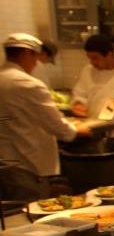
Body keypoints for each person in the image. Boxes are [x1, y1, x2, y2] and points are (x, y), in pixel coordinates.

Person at [0, 33, 90, 201]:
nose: (35, 64)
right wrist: (77, 129)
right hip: (26, 164)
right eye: (36, 58)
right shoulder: (28, 84)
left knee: (13, 217)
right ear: (28, 54)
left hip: (5, 162)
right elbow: (56, 125)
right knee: (31, 214)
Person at [70, 34, 114, 137]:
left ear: (109, 54)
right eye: (89, 58)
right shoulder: (88, 70)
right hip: (96, 128)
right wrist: (79, 104)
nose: (92, 62)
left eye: (95, 58)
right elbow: (80, 93)